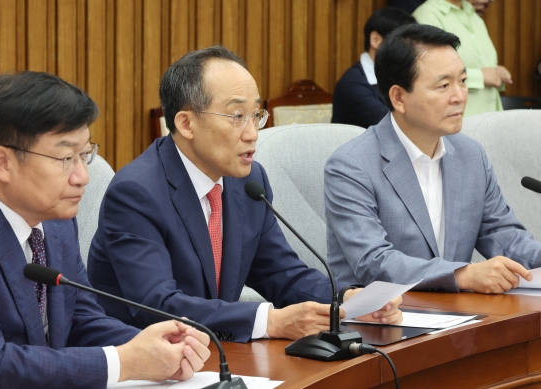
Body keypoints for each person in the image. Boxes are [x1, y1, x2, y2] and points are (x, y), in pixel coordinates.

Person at [0, 71, 210, 388]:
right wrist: (126, 361)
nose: (82, 177)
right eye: (65, 158)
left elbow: (80, 320)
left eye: (84, 155)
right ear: (3, 162)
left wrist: (158, 348)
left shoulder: (55, 218)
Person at [87, 46, 403, 344]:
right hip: (144, 364)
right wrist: (271, 321)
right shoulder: (136, 193)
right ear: (186, 123)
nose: (252, 133)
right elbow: (157, 304)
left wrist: (348, 301)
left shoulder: (248, 181)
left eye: (256, 115)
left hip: (217, 355)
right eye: (237, 116)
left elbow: (283, 275)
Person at [324, 24, 539, 294]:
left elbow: (502, 235)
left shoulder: (471, 154)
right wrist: (463, 274)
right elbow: (373, 262)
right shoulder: (351, 166)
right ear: (399, 97)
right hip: (379, 322)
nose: (459, 96)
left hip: (461, 318)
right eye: (444, 85)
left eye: (462, 81)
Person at [413, 0, 511, 116]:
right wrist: (481, 76)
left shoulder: (475, 17)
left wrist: (497, 72)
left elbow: (481, 64)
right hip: (459, 121)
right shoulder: (427, 14)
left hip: (491, 118)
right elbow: (429, 74)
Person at [331, 7, 416, 128]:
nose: (409, 52)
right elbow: (397, 125)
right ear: (375, 40)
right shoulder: (352, 85)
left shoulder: (401, 76)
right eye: (402, 44)